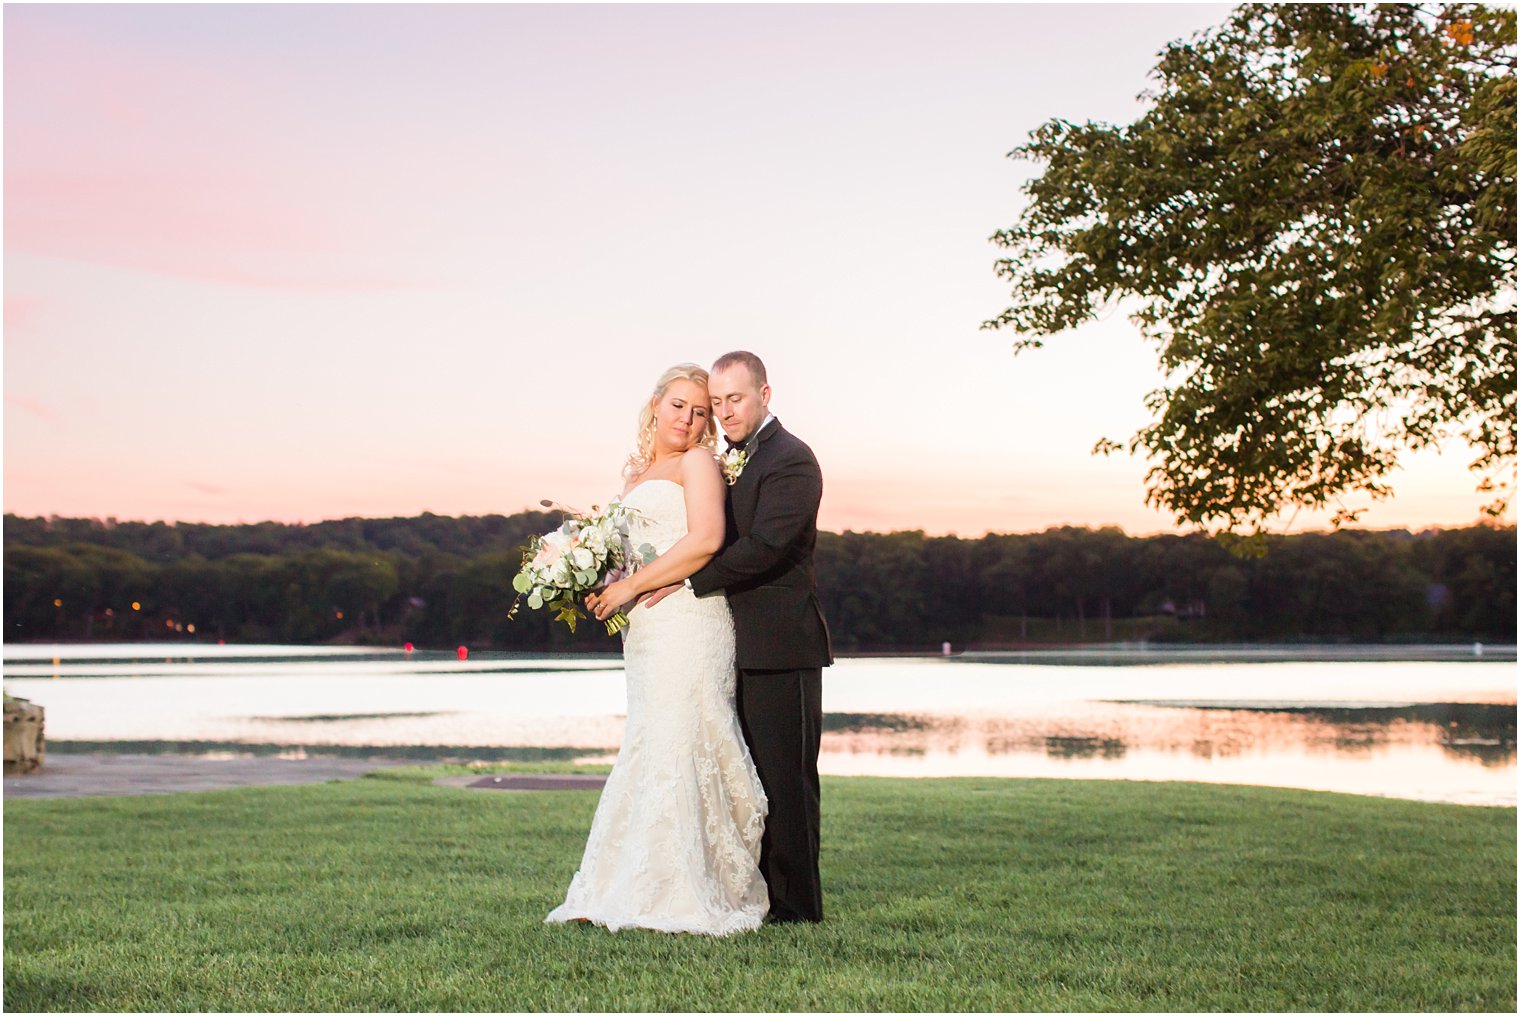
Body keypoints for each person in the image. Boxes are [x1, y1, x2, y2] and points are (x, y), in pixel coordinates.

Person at [545, 363, 769, 936]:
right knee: (651, 741)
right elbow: (636, 553)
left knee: (682, 737)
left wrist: (632, 585)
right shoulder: (640, 472)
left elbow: (705, 540)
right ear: (654, 404)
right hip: (644, 630)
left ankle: (683, 890)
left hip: (690, 623)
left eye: (701, 411)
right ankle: (629, 883)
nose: (690, 420)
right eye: (678, 406)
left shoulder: (699, 463)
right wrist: (598, 578)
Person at [633, 351, 833, 924]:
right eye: (716, 404)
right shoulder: (729, 459)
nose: (724, 413)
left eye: (734, 400)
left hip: (782, 643)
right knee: (744, 778)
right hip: (726, 641)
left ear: (765, 394)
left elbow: (767, 546)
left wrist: (688, 577)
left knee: (786, 778)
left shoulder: (792, 460)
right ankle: (756, 891)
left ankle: (798, 908)